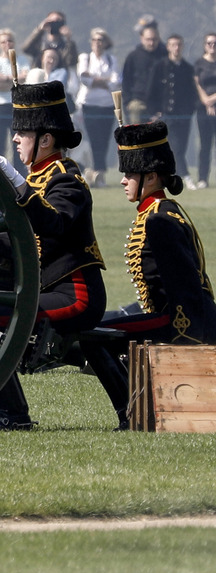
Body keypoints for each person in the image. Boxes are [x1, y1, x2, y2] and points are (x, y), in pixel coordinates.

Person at [0, 80, 109, 431]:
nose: (15, 139)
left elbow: (53, 223)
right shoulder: (34, 178)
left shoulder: (67, 180)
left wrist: (14, 178)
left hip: (75, 294)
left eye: (22, 133)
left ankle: (13, 415)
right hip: (43, 289)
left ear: (45, 139)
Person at [84, 121, 216, 428]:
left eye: (129, 174)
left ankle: (130, 415)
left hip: (182, 321)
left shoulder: (160, 221)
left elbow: (185, 288)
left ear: (151, 176)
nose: (123, 181)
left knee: (95, 339)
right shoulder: (159, 212)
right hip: (176, 316)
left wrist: (185, 339)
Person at [148, 34, 199, 174]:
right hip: (165, 115)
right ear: (168, 47)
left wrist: (189, 111)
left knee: (181, 147)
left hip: (183, 116)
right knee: (171, 147)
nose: (176, 48)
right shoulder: (159, 66)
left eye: (179, 45)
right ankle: (185, 175)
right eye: (173, 45)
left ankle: (175, 175)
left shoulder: (188, 68)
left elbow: (192, 93)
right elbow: (152, 91)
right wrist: (154, 111)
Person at [75, 28, 120, 184]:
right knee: (92, 139)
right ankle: (92, 171)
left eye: (100, 40)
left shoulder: (111, 59)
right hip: (88, 105)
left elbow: (115, 82)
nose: (97, 43)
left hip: (107, 105)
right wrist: (104, 80)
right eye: (94, 40)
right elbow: (84, 79)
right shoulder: (85, 58)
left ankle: (100, 173)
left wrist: (95, 79)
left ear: (105, 43)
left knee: (104, 140)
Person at [0, 28, 30, 159]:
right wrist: (16, 80)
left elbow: (26, 80)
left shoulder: (22, 60)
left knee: (19, 144)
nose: (7, 44)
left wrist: (5, 79)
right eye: (3, 42)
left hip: (16, 105)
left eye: (9, 41)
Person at [120, 21, 166, 124]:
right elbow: (126, 80)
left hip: (159, 103)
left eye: (154, 40)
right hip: (138, 101)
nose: (151, 43)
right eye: (148, 39)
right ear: (142, 38)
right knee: (138, 135)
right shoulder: (133, 56)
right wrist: (128, 101)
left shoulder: (164, 56)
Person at [195, 32, 216, 188]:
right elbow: (197, 83)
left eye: (215, 43)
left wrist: (213, 99)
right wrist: (207, 102)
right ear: (205, 46)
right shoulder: (199, 63)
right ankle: (202, 178)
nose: (212, 46)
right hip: (203, 110)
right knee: (205, 145)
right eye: (209, 43)